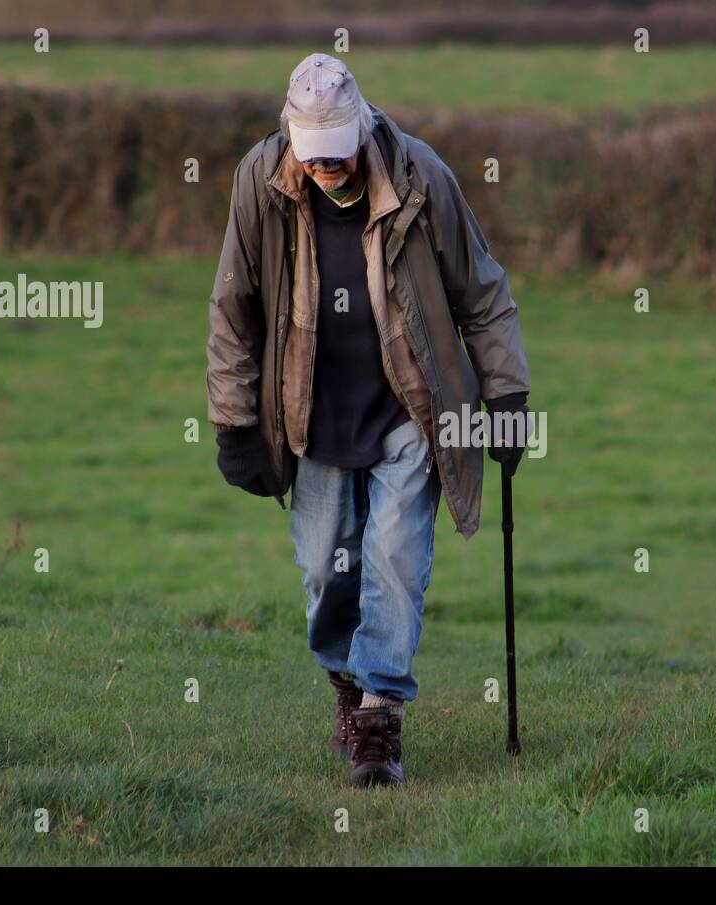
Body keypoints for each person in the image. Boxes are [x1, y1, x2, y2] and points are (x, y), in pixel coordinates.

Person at [206, 53, 531, 787]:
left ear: (362, 129)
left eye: (339, 153)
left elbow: (483, 293)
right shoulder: (259, 183)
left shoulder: (420, 176)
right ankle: (346, 689)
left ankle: (379, 719)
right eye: (313, 157)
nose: (328, 169)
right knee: (326, 569)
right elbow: (234, 307)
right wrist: (233, 423)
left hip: (411, 407)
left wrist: (507, 396)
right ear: (292, 139)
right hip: (311, 411)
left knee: (394, 558)